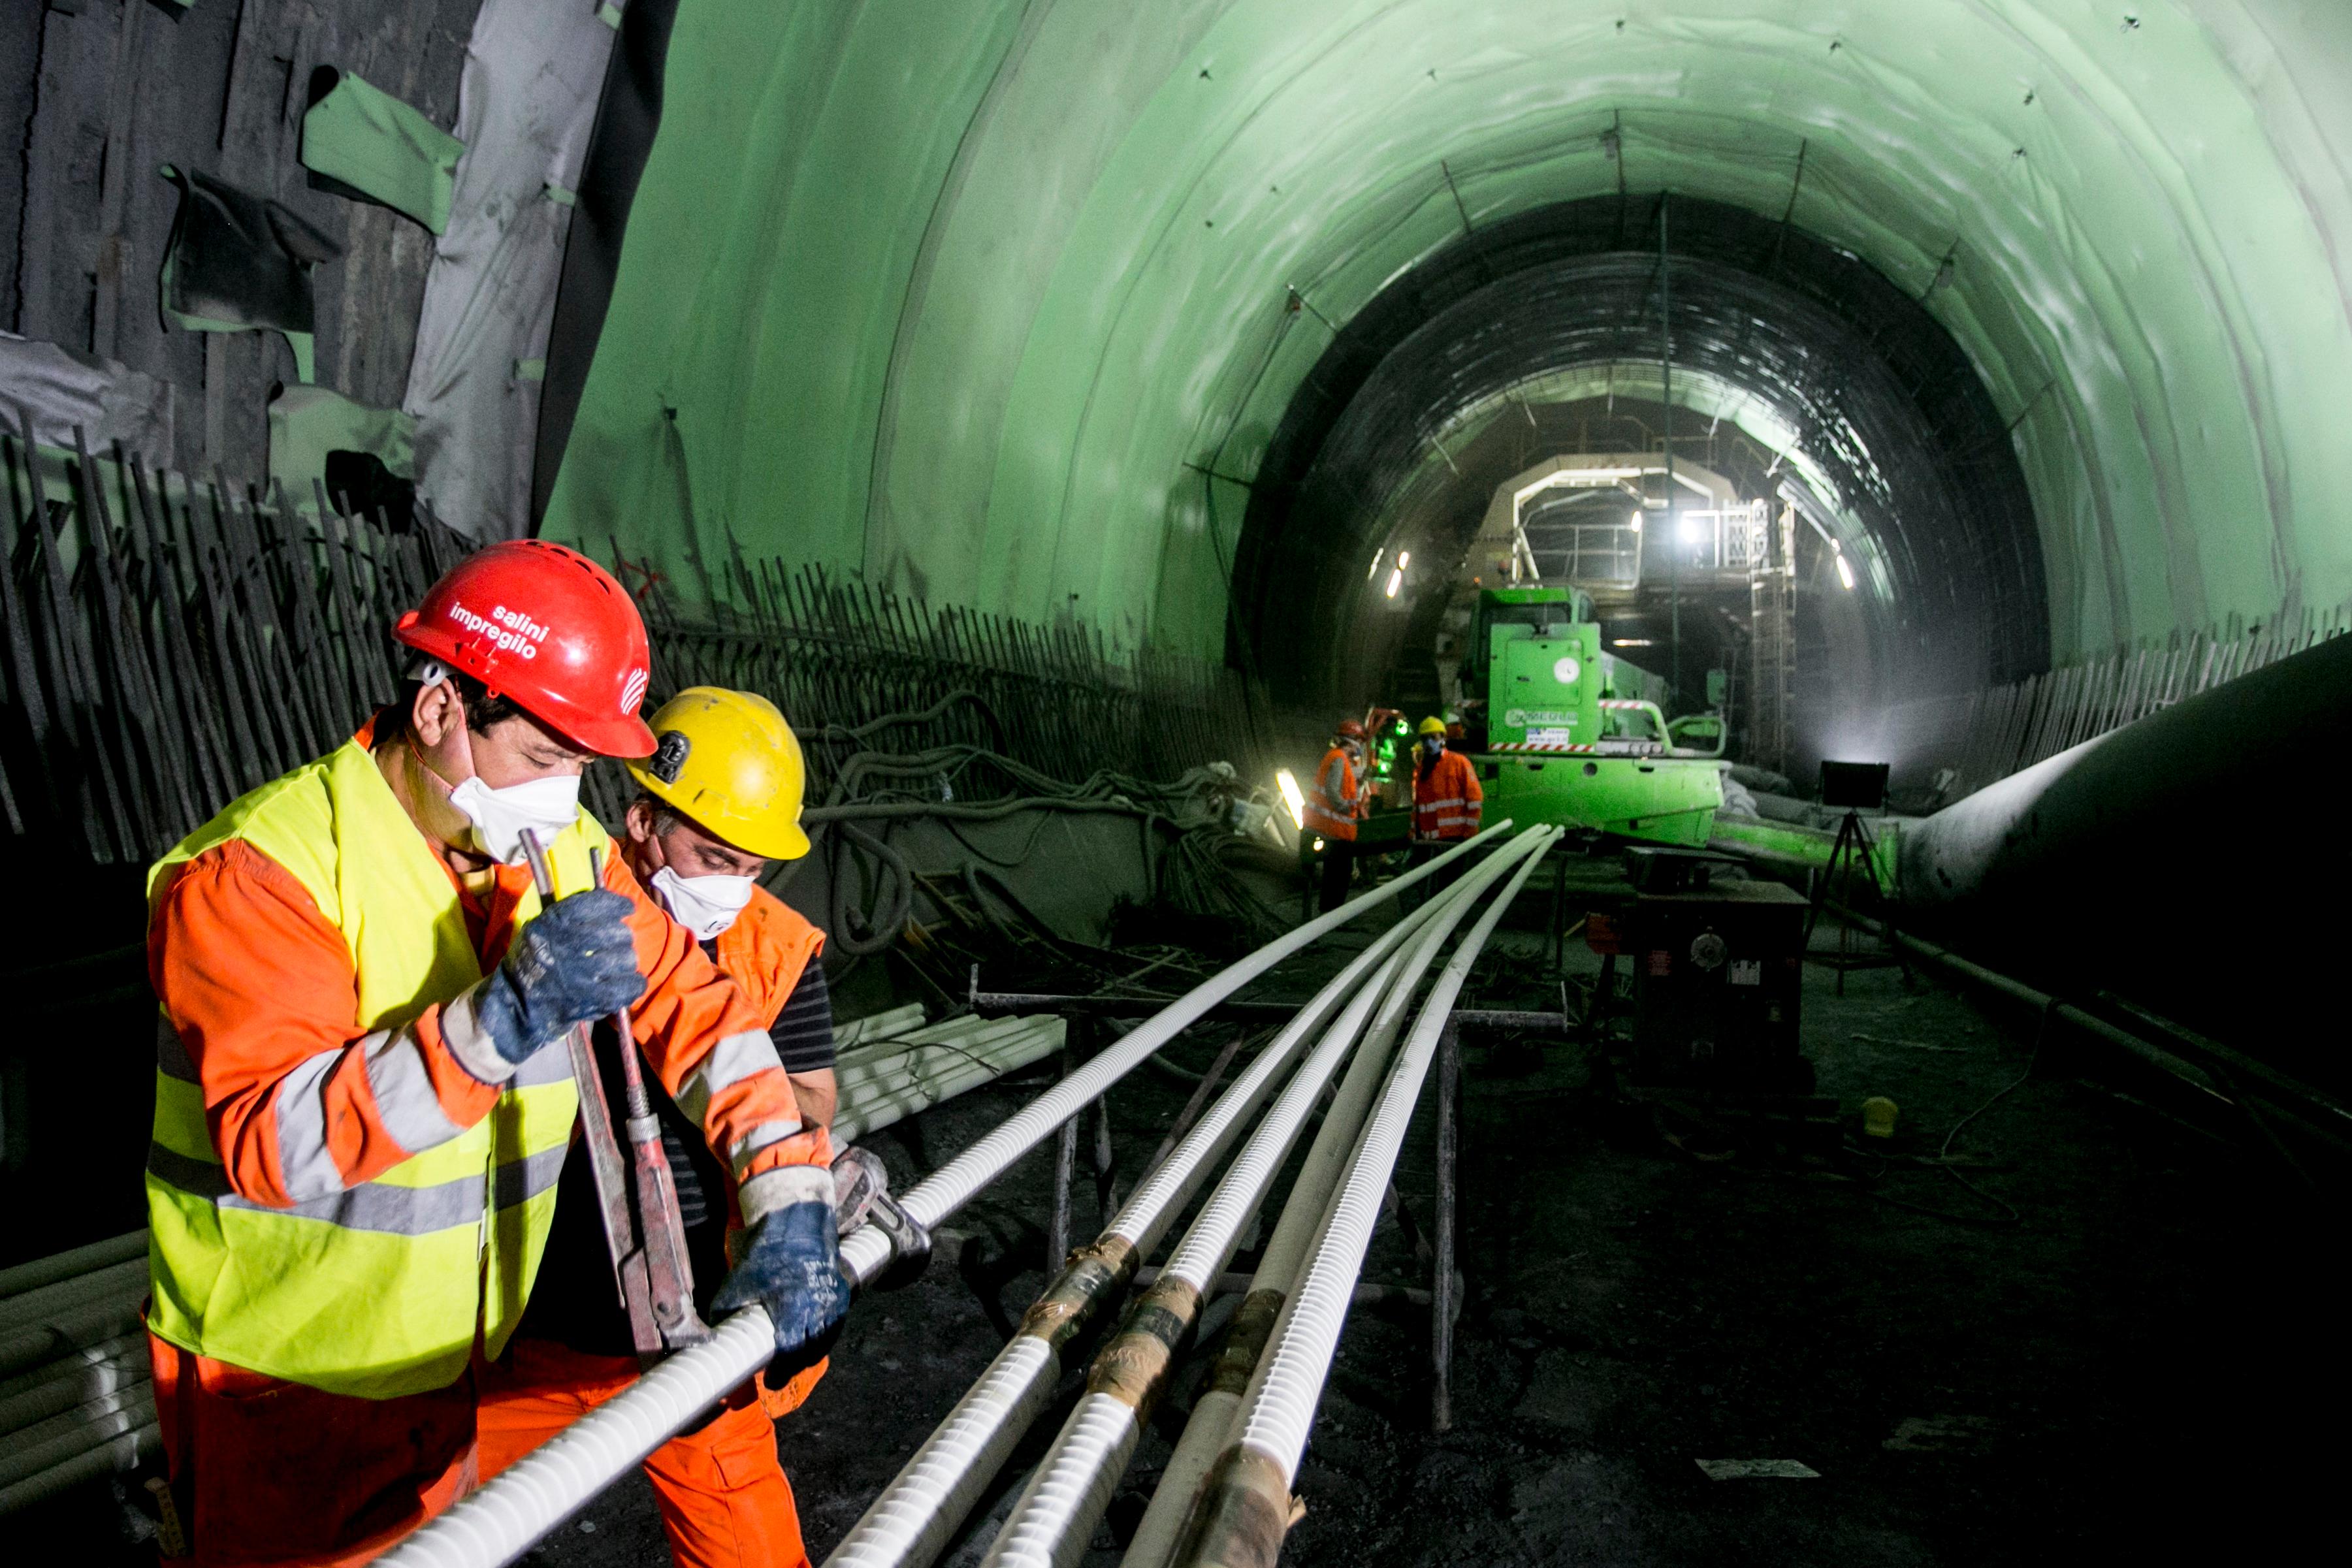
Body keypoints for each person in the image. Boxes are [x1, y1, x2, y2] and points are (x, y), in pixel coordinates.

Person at [142, 541, 845, 1568]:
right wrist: (498, 1023)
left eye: (583, 770)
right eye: (545, 759)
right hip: (283, 1389)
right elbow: (274, 1145)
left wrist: (789, 1205)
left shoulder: (554, 855)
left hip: (453, 1366)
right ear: (438, 710)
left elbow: (708, 1020)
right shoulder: (260, 874)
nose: (566, 804)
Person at [481, 686, 839, 1568]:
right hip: (536, 1333)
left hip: (692, 1340)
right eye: (713, 855)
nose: (733, 888)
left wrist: (789, 1209)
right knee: (402, 1531)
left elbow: (809, 1102)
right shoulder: (554, 902)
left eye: (753, 868)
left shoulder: (773, 947)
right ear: (641, 817)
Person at [1301, 717, 1370, 915]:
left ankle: (1329, 914)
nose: (1361, 746)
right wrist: (1347, 808)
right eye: (1360, 741)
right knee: (1339, 875)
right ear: (1353, 740)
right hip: (1333, 830)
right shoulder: (1339, 759)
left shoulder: (1338, 758)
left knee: (1336, 874)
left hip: (1333, 829)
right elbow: (1333, 793)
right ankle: (1331, 916)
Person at [1410, 714, 1484, 894]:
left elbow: (1475, 799)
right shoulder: (1421, 769)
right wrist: (1413, 833)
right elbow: (1418, 806)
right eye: (1425, 738)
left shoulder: (1458, 763)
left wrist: (1469, 833)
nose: (1429, 742)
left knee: (1450, 888)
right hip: (1429, 841)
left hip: (1454, 838)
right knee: (1432, 889)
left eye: (1433, 737)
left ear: (1443, 738)